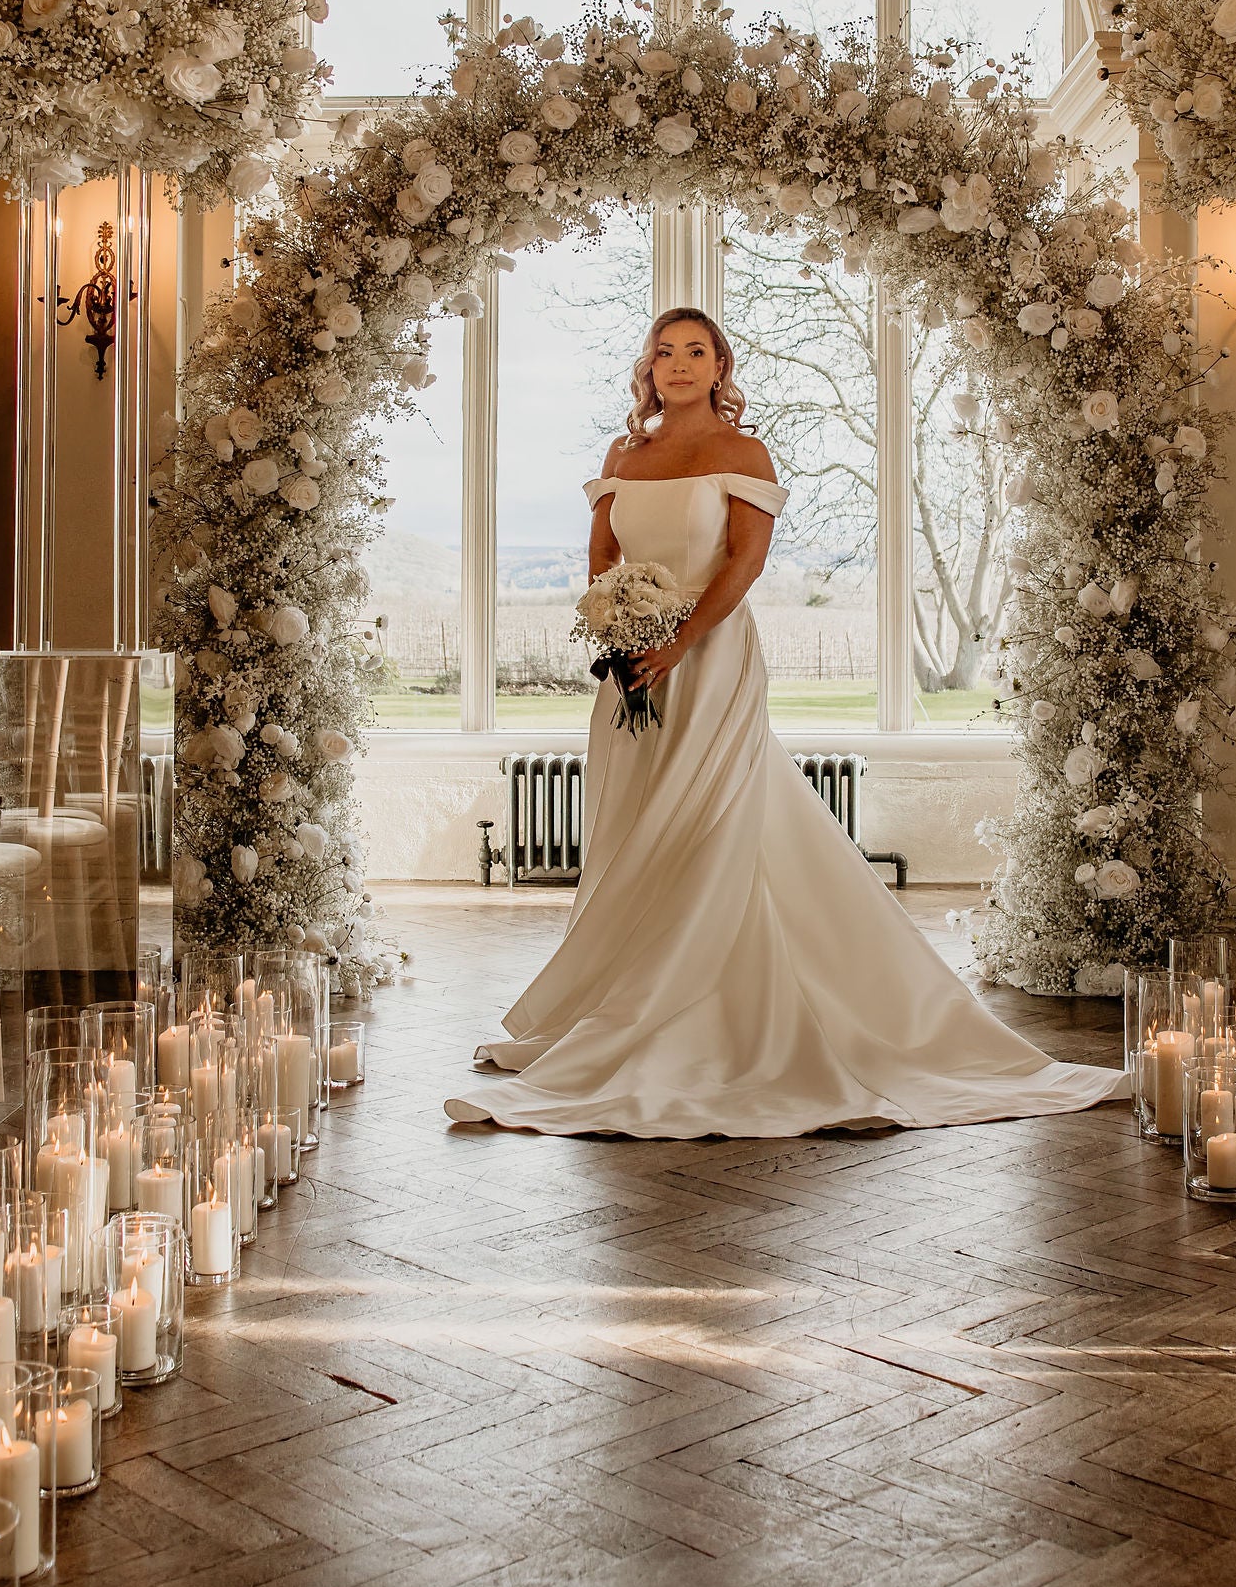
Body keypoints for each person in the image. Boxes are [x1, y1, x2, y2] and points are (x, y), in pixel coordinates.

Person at [445, 308, 1128, 1137]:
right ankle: (632, 993)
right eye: (665, 352)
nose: (679, 365)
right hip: (631, 667)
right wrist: (623, 631)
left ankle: (717, 1009)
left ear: (720, 364)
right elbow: (602, 556)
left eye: (696, 351)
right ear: (648, 367)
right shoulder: (625, 453)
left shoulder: (743, 453)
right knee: (634, 824)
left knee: (708, 820)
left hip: (711, 661)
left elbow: (746, 561)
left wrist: (681, 639)